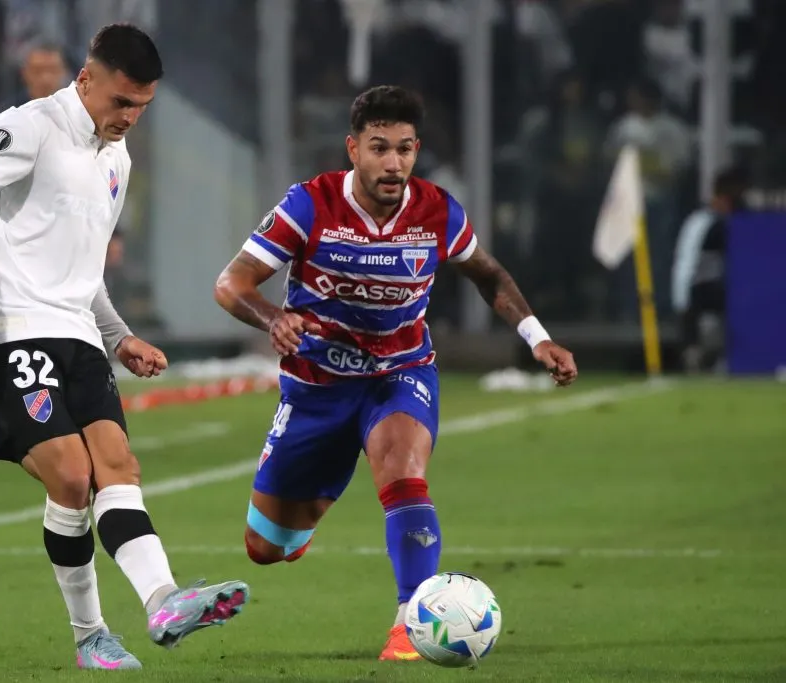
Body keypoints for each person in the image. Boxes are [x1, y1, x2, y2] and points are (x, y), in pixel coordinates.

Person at [0, 24, 248, 671]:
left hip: (77, 334)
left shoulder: (118, 159)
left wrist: (120, 336)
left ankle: (164, 600)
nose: (130, 118)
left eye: (141, 107)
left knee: (118, 465)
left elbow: (85, 272)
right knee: (73, 475)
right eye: (121, 103)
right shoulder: (32, 127)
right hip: (7, 335)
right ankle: (89, 632)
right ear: (86, 80)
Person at [214, 85, 576, 662]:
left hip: (399, 372)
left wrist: (538, 337)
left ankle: (409, 622)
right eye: (380, 149)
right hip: (317, 387)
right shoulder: (310, 204)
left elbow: (489, 274)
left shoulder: (436, 210)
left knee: (403, 469)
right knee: (265, 547)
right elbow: (231, 285)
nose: (394, 163)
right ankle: (300, 519)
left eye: (405, 150)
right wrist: (273, 318)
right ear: (353, 148)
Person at [671, 166, 747, 373]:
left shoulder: (740, 222)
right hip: (701, 287)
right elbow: (685, 263)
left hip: (730, 286)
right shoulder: (700, 223)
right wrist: (682, 299)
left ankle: (726, 356)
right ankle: (696, 356)